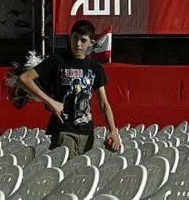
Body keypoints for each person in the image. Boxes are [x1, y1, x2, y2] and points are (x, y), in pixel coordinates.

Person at [18, 19, 121, 156]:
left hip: (87, 132)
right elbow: (24, 79)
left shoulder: (95, 67)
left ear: (91, 42)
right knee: (68, 168)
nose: (78, 44)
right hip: (63, 130)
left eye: (83, 40)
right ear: (70, 37)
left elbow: (103, 102)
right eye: (75, 38)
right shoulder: (57, 60)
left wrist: (113, 130)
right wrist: (50, 102)